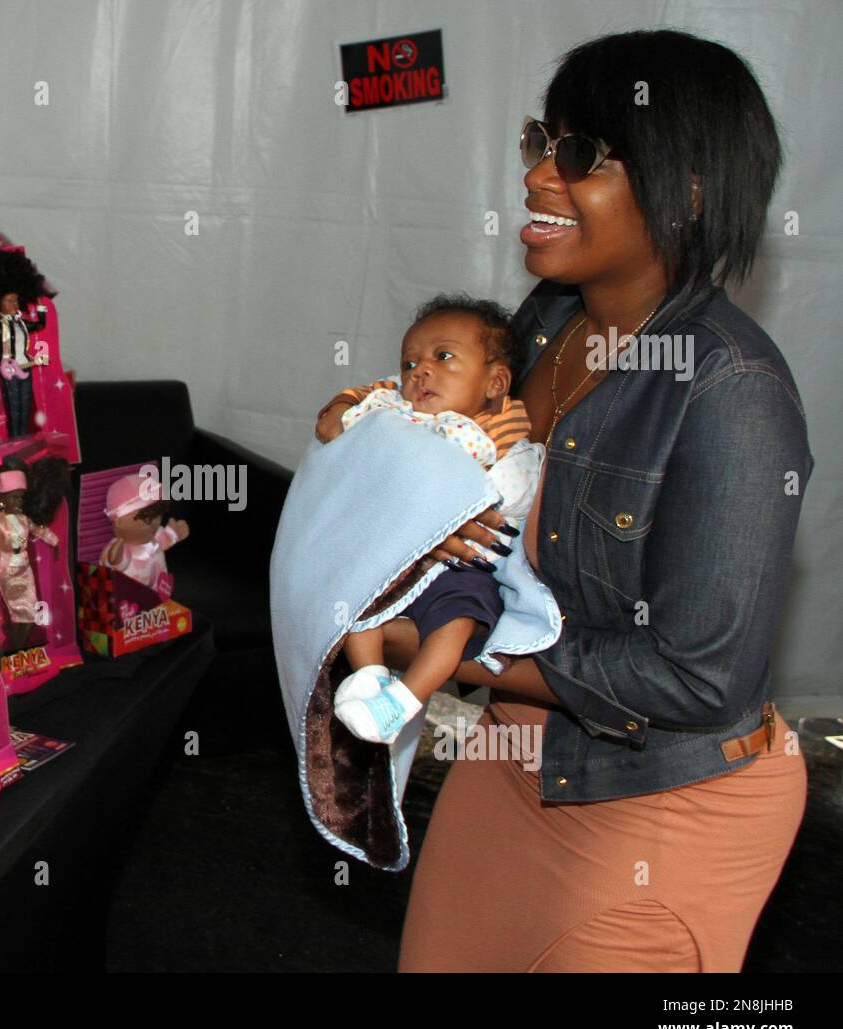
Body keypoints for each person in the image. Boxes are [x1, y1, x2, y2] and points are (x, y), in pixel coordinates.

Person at [317, 29, 810, 973]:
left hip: (661, 808)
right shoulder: (544, 323)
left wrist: (439, 649)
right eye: (541, 142)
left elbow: (699, 679)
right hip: (513, 762)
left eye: (581, 155)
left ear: (689, 190)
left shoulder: (732, 391)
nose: (539, 176)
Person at [318, 296, 537, 745]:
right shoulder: (395, 413)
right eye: (410, 362)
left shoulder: (499, 431)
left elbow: (511, 498)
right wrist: (341, 408)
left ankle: (404, 699)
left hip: (459, 567)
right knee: (354, 600)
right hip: (390, 554)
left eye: (443, 356)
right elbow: (350, 427)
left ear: (495, 382)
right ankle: (370, 677)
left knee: (455, 623)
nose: (420, 371)